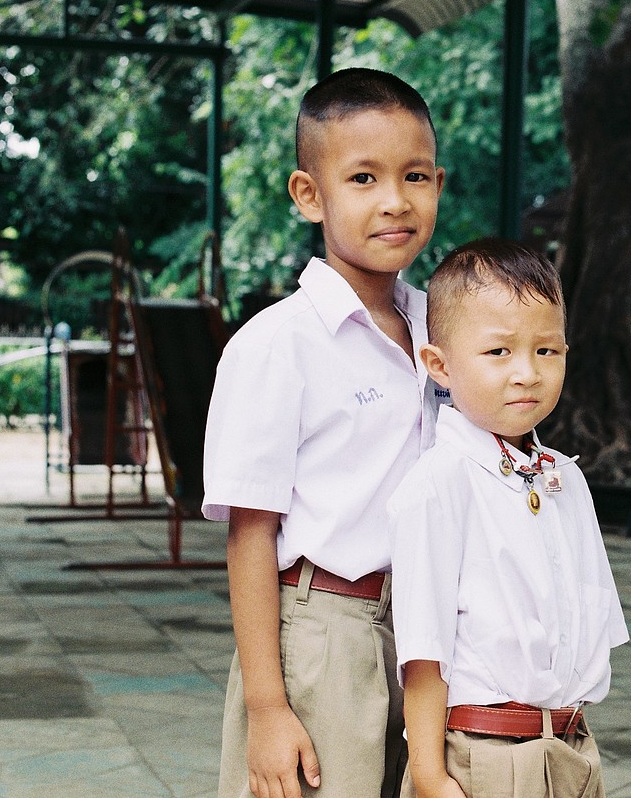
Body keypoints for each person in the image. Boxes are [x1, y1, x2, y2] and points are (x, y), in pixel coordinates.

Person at [202, 67, 448, 798]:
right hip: (324, 631)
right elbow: (251, 533)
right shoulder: (279, 344)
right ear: (309, 193)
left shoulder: (446, 328)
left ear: (438, 181)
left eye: (414, 177)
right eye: (363, 178)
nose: (394, 201)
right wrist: (267, 705)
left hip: (430, 632)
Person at [388, 238, 629, 798]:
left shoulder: (565, 479)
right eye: (498, 352)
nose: (526, 373)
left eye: (546, 351)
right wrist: (428, 774)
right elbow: (425, 652)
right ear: (440, 365)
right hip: (485, 757)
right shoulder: (439, 483)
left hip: (569, 748)